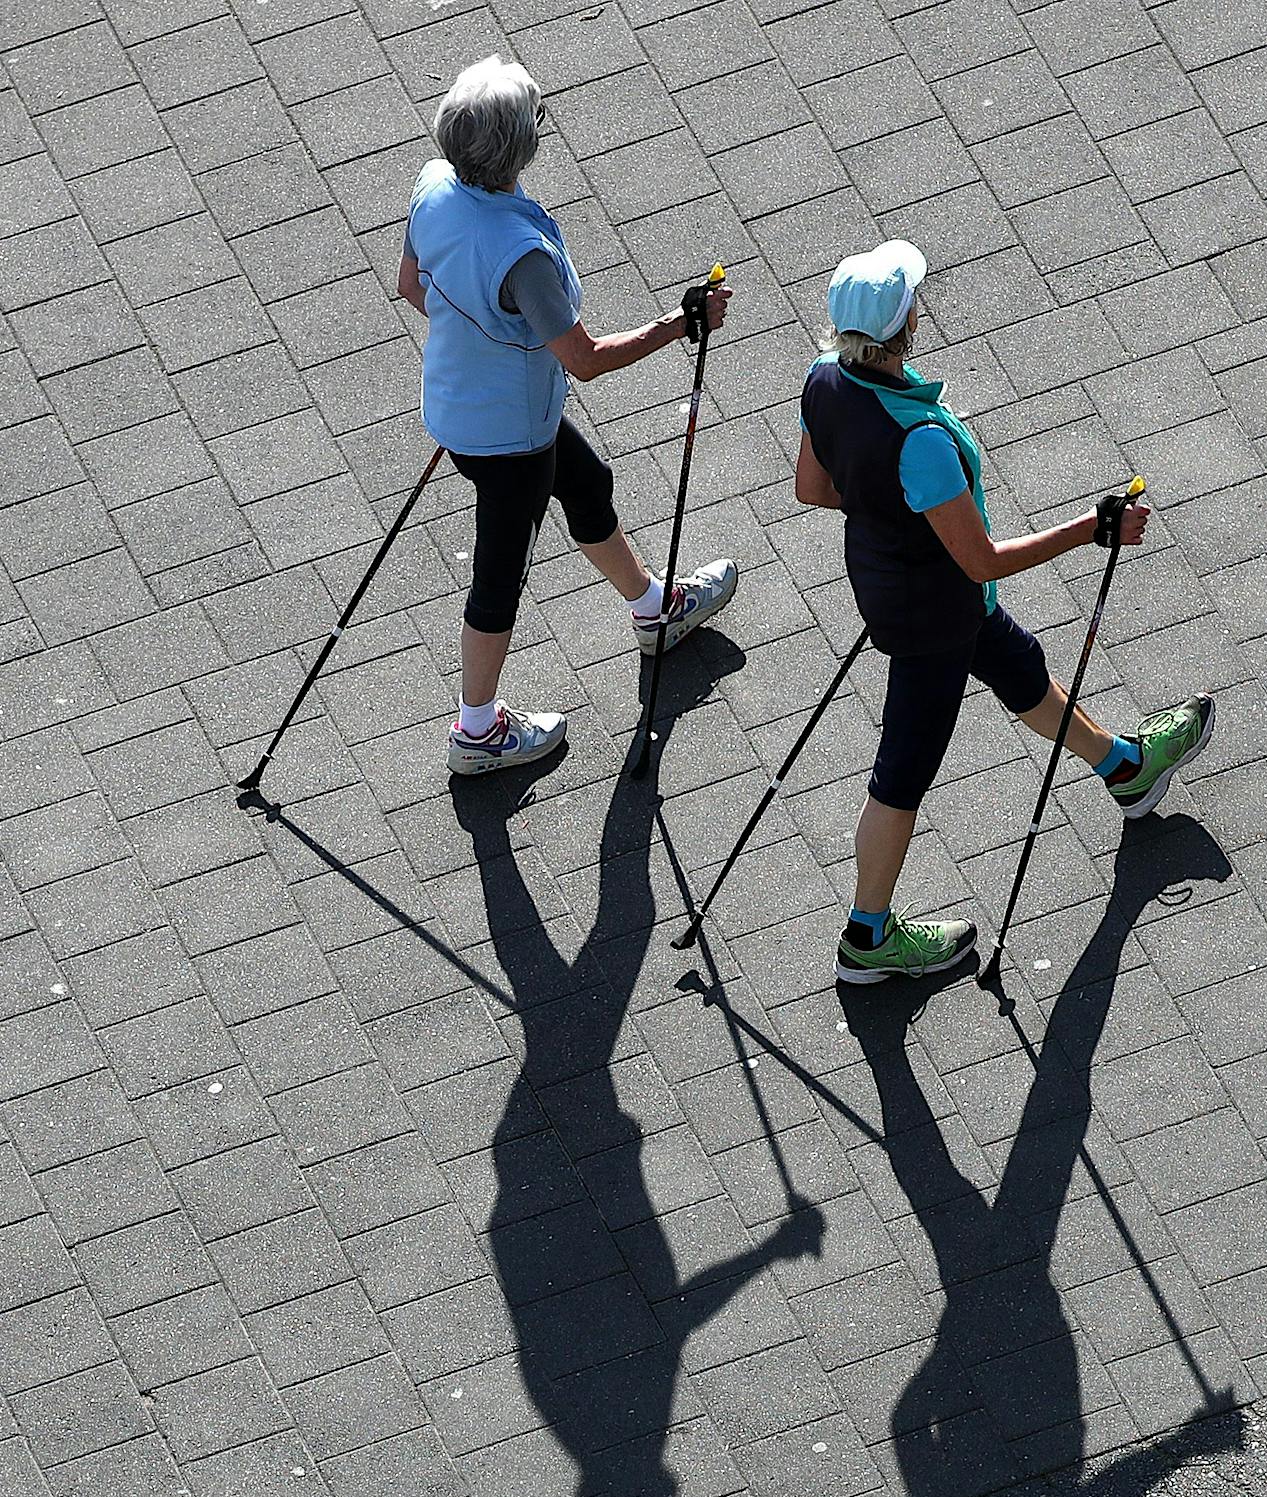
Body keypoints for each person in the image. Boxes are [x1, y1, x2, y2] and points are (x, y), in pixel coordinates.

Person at [795, 240, 1217, 985]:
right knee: (901, 773)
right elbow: (981, 561)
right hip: (935, 616)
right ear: (906, 327)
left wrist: (890, 520)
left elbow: (815, 489)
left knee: (1020, 666)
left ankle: (1126, 767)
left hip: (898, 587)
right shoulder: (920, 442)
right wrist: (1092, 528)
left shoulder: (824, 381)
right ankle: (867, 938)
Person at [399, 56, 737, 777]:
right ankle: (477, 732)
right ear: (519, 147)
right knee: (498, 576)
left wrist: (483, 346)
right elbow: (582, 358)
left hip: (462, 407)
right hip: (512, 437)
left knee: (587, 483)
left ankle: (654, 609)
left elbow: (412, 286)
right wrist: (681, 325)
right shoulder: (522, 256)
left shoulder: (432, 188)